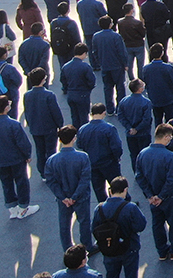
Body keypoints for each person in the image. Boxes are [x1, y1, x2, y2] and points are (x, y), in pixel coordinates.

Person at [135, 123, 173, 260]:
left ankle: (162, 251)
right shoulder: (170, 156)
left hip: (153, 198)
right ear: (167, 137)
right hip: (170, 197)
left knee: (157, 224)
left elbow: (140, 177)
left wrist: (150, 195)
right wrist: (162, 196)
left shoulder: (142, 154)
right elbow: (171, 180)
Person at [46, 124, 97, 253]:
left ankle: (67, 249)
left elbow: (51, 181)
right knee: (84, 222)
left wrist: (63, 197)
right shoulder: (83, 157)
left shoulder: (52, 160)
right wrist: (75, 197)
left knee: (64, 224)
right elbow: (84, 179)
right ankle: (87, 247)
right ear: (74, 138)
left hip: (63, 199)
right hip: (81, 197)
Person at [92, 176, 146, 278]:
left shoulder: (99, 209)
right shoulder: (131, 207)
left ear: (110, 190)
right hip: (129, 247)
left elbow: (94, 228)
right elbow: (140, 226)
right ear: (125, 190)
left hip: (109, 248)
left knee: (111, 274)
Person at [0, 94, 38, 220]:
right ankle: (23, 207)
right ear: (6, 108)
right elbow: (22, 142)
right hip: (16, 159)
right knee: (21, 182)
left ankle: (12, 208)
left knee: (6, 183)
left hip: (2, 161)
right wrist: (27, 155)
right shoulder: (13, 124)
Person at [77, 103, 123, 202]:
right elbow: (116, 146)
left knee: (99, 189)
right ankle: (122, 204)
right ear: (104, 113)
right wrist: (117, 157)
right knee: (117, 186)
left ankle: (104, 208)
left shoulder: (83, 129)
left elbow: (80, 145)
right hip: (109, 163)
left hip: (92, 164)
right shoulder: (109, 128)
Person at [24, 67, 62, 177]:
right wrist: (60, 125)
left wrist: (31, 124)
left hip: (35, 128)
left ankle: (43, 172)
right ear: (43, 80)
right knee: (51, 150)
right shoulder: (49, 95)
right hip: (49, 128)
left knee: (40, 151)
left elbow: (27, 112)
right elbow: (55, 112)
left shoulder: (27, 95)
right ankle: (52, 171)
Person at [92, 15, 128, 114]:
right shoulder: (116, 36)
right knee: (120, 87)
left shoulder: (96, 36)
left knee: (107, 88)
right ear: (110, 25)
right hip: (117, 66)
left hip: (105, 66)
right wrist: (125, 64)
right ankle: (120, 108)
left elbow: (94, 51)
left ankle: (110, 109)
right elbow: (121, 52)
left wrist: (100, 62)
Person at [117, 79, 152, 171]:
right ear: (140, 89)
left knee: (133, 154)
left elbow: (121, 116)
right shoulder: (146, 102)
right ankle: (145, 171)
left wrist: (129, 128)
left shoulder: (124, 101)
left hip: (130, 134)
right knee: (144, 154)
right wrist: (137, 129)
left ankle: (136, 172)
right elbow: (146, 119)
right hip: (143, 133)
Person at [141, 43, 173, 125]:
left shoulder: (146, 68)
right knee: (170, 121)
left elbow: (145, 81)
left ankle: (159, 136)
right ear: (162, 53)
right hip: (168, 97)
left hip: (154, 98)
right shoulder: (168, 67)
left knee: (158, 120)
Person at [62, 43, 97, 129]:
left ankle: (76, 134)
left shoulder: (66, 66)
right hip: (82, 94)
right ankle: (84, 137)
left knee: (74, 117)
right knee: (84, 118)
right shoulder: (85, 66)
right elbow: (92, 81)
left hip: (71, 94)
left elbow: (63, 81)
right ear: (84, 53)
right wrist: (88, 89)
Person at [118, 4, 145, 81]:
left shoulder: (120, 22)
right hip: (138, 45)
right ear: (131, 10)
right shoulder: (138, 23)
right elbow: (143, 34)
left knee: (129, 64)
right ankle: (141, 79)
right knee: (140, 64)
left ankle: (131, 79)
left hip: (127, 45)